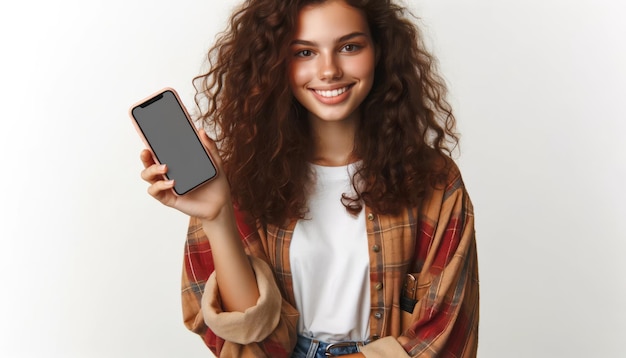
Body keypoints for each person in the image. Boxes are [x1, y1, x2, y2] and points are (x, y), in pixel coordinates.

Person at [139, 0, 479, 357]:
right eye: (304, 52)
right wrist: (217, 217)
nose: (329, 70)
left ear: (380, 50)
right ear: (273, 64)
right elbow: (246, 338)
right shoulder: (240, 179)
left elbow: (446, 333)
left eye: (349, 47)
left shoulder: (435, 182)